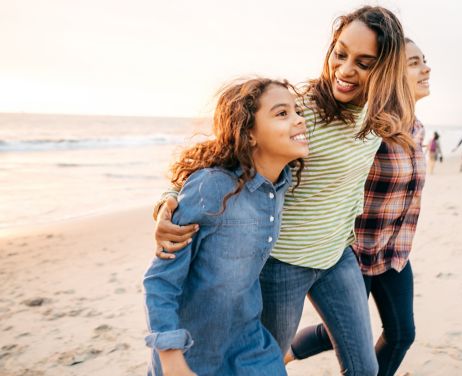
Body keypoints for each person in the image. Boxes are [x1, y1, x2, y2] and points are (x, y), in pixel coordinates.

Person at [152, 6, 415, 375]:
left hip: (338, 257)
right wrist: (167, 200)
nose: (344, 70)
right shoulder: (299, 110)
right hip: (283, 265)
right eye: (340, 54)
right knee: (264, 362)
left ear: (385, 69)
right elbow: (221, 151)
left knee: (364, 368)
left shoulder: (379, 116)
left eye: (364, 62)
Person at [143, 78, 309, 376]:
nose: (300, 120)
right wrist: (170, 357)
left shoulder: (279, 185)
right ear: (249, 133)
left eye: (297, 112)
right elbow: (160, 280)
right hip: (192, 351)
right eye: (282, 113)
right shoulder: (211, 185)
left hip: (251, 345)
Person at [284, 38, 430, 376]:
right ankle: (286, 352)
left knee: (401, 334)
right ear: (389, 74)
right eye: (413, 63)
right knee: (345, 336)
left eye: (424, 60)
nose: (426, 68)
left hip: (393, 251)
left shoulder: (417, 128)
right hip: (353, 252)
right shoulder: (367, 126)